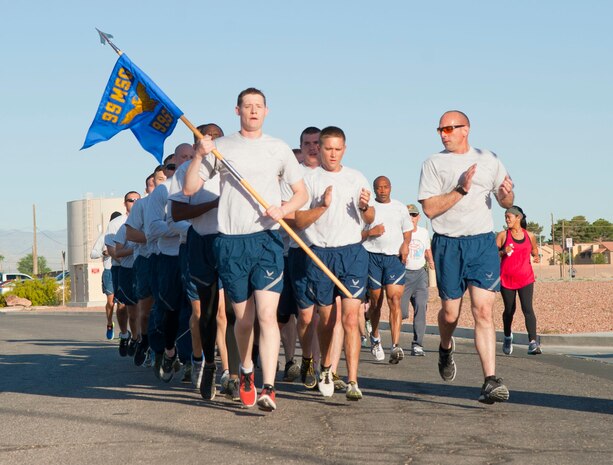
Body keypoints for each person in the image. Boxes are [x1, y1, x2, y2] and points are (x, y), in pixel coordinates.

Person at [184, 88, 307, 412]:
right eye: (247, 106)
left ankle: (269, 387)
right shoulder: (222, 148)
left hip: (266, 239)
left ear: (266, 111)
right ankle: (247, 370)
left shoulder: (278, 149)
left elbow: (300, 192)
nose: (253, 111)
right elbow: (190, 188)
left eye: (258, 106)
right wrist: (199, 154)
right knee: (244, 319)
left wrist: (284, 208)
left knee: (267, 316)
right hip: (230, 242)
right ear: (237, 110)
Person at [418, 110, 514, 405]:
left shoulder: (489, 159)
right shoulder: (433, 163)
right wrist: (460, 189)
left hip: (482, 243)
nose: (444, 133)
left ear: (466, 129)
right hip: (448, 244)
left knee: (483, 310)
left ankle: (490, 380)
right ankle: (445, 347)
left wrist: (506, 195)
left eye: (450, 128)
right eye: (440, 130)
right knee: (450, 314)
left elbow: (506, 200)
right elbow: (430, 209)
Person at [295, 125, 374, 401]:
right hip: (319, 254)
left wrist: (365, 207)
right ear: (319, 148)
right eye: (327, 148)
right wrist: (323, 206)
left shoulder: (356, 177)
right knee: (326, 320)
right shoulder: (310, 179)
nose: (332, 154)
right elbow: (298, 221)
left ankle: (353, 380)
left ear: (344, 149)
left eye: (337, 149)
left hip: (352, 253)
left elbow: (370, 216)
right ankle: (325, 368)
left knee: (351, 318)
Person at [362, 176, 412, 364]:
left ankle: (395, 345)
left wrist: (405, 244)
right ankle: (375, 337)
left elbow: (407, 231)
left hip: (394, 258)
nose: (382, 190)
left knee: (395, 299)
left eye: (385, 187)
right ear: (374, 190)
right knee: (376, 302)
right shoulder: (368, 210)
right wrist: (371, 232)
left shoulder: (400, 207)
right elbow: (358, 234)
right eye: (378, 188)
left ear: (390, 188)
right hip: (372, 256)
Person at [496, 205, 542, 355]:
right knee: (510, 310)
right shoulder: (503, 235)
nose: (506, 219)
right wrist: (503, 251)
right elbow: (492, 255)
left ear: (518, 217)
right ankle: (508, 336)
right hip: (507, 279)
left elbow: (534, 249)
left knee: (527, 309)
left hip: (526, 278)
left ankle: (533, 343)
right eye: (505, 217)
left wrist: (536, 256)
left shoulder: (530, 236)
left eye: (509, 216)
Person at [105, 193, 140, 356]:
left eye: (137, 200)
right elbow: (113, 251)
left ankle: (138, 338)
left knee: (141, 307)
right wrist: (126, 258)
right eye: (131, 200)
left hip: (141, 268)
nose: (134, 203)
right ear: (124, 203)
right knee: (122, 306)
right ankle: (124, 334)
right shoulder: (116, 224)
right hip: (121, 268)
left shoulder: (145, 219)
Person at [401, 203, 435, 356]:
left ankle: (417, 344)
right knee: (401, 312)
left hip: (420, 274)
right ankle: (394, 342)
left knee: (421, 307)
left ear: (418, 217)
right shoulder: (400, 233)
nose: (411, 218)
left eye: (414, 215)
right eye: (409, 215)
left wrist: (432, 262)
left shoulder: (423, 232)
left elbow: (427, 251)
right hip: (404, 274)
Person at [91, 211, 122, 340]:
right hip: (109, 270)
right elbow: (93, 254)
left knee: (122, 303)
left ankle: (123, 330)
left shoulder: (125, 234)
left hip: (122, 269)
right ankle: (109, 324)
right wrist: (105, 253)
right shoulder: (104, 236)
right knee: (110, 301)